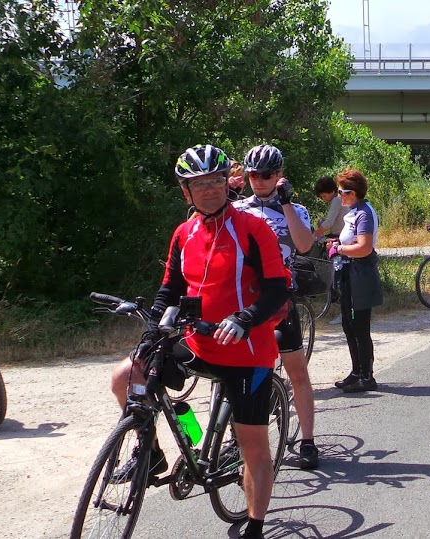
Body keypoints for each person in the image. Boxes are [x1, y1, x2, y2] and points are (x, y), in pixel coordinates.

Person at [109, 144, 289, 539]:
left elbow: (278, 291)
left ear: (227, 184)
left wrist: (245, 319)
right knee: (128, 374)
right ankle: (155, 450)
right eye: (198, 184)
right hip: (199, 341)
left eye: (215, 181)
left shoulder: (252, 229)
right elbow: (170, 289)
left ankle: (255, 524)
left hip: (247, 350)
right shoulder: (183, 233)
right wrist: (153, 327)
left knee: (253, 444)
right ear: (185, 192)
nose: (209, 190)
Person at [233, 144, 319, 470]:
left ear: (279, 176)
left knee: (297, 372)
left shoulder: (295, 209)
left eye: (266, 175)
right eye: (253, 174)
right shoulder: (237, 208)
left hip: (281, 298)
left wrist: (285, 204)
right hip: (244, 300)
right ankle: (236, 435)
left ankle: (308, 440)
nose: (259, 180)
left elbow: (304, 245)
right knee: (239, 372)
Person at [328, 168, 383, 393]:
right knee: (348, 324)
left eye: (342, 192)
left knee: (360, 325)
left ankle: (367, 376)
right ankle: (356, 371)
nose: (339, 195)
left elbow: (364, 247)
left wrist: (339, 249)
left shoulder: (364, 213)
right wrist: (336, 244)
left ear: (354, 192)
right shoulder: (352, 210)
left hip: (361, 273)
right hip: (349, 273)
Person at [313, 175, 346, 240]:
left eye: (324, 196)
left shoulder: (336, 200)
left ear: (332, 191)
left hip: (339, 235)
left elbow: (329, 222)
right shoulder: (342, 198)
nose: (323, 199)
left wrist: (314, 236)